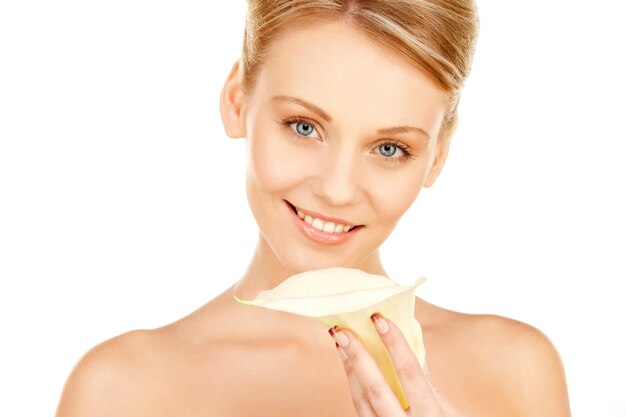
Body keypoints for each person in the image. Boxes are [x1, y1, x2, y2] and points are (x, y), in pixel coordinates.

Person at [55, 1, 571, 416]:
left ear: (437, 157)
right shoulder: (118, 393)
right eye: (304, 127)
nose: (338, 189)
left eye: (390, 148)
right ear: (238, 101)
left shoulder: (516, 372)